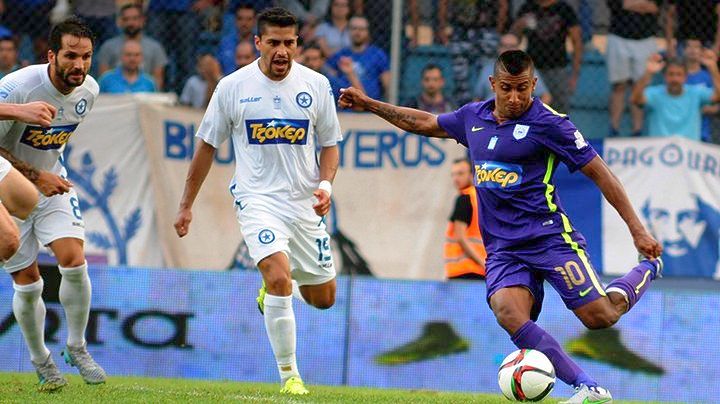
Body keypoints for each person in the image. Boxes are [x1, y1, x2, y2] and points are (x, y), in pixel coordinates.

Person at [339, 50, 664, 403]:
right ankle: (588, 388)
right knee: (508, 312)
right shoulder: (473, 117)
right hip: (504, 249)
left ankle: (649, 267)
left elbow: (601, 174)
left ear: (533, 84)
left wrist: (637, 230)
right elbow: (424, 122)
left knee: (600, 316)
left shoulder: (552, 124)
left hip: (549, 239)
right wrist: (370, 104)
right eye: (507, 88)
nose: (515, 97)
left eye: (523, 88)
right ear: (493, 84)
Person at [174, 7, 341, 396]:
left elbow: (330, 145)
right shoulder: (233, 87)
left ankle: (273, 290)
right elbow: (207, 147)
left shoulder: (316, 85)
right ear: (257, 42)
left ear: (297, 43)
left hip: (303, 203)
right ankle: (290, 377)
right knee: (280, 278)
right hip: (257, 199)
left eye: (289, 43)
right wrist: (186, 204)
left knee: (324, 299)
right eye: (274, 43)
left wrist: (325, 186)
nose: (282, 51)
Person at [0, 17, 106, 392]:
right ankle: (41, 359)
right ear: (51, 55)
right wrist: (33, 175)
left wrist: (47, 174)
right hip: (9, 190)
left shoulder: (89, 90)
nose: (79, 65)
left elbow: (53, 141)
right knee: (28, 283)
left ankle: (77, 347)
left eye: (86, 56)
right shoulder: (19, 87)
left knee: (74, 260)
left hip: (52, 183)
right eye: (71, 56)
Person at [631, 52, 720, 141]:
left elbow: (717, 96)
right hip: (660, 148)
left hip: (689, 148)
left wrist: (713, 68)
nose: (675, 79)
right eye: (671, 74)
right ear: (664, 76)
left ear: (685, 77)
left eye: (679, 74)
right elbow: (635, 99)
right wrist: (648, 73)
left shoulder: (696, 93)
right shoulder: (654, 93)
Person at [513, 0, 582, 113]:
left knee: (559, 111)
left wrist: (575, 74)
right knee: (529, 109)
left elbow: (577, 42)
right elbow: (513, 40)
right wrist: (519, 25)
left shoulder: (564, 9)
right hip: (532, 68)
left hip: (558, 67)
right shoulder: (527, 7)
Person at [605, 0, 661, 137]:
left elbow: (654, 7)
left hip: (646, 38)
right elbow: (617, 5)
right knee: (619, 85)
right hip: (619, 37)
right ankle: (614, 129)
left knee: (640, 87)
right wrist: (641, 4)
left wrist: (630, 4)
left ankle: (637, 131)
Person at [97, 4, 168, 90]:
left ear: (143, 20)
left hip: (145, 94)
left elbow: (158, 82)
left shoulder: (155, 48)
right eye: (126, 19)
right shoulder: (108, 46)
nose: (131, 23)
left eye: (135, 18)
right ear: (120, 22)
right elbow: (103, 81)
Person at [473, 33, 552, 105]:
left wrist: (533, 114)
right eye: (504, 46)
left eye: (512, 46)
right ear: (499, 48)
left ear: (518, 49)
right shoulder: (488, 69)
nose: (508, 50)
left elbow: (546, 96)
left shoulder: (528, 69)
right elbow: (477, 99)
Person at [327, 16, 389, 101]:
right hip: (344, 104)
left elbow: (388, 86)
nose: (357, 32)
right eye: (354, 28)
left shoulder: (378, 55)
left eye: (362, 29)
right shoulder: (340, 55)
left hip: (372, 105)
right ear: (348, 31)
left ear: (368, 32)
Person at [444, 158, 486, 280]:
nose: (456, 178)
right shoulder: (479, 198)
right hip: (480, 271)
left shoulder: (465, 199)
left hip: (463, 271)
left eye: (460, 173)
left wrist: (483, 263)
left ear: (472, 175)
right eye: (453, 174)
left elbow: (460, 237)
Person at [684, 38, 719, 142]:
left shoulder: (710, 77)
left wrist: (697, 109)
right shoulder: (677, 76)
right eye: (689, 46)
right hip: (681, 131)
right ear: (684, 50)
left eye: (696, 47)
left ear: (702, 51)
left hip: (702, 132)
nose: (692, 50)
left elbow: (716, 106)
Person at [217, 3, 257, 75]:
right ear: (235, 20)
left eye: (249, 19)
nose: (244, 23)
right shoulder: (225, 43)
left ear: (255, 21)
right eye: (240, 18)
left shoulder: (262, 43)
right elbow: (217, 65)